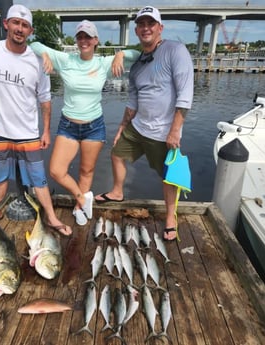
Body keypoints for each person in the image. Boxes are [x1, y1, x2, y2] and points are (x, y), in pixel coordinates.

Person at [95, 6, 194, 241]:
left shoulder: (175, 50)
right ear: (136, 30)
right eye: (141, 24)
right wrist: (121, 127)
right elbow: (133, 99)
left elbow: (185, 94)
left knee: (169, 176)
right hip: (139, 126)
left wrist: (175, 130)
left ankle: (171, 217)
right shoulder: (138, 64)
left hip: (164, 132)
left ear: (160, 28)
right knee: (117, 153)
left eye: (151, 23)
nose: (146, 28)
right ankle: (118, 192)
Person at [0, 4, 72, 236]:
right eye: (16, 23)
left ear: (30, 31)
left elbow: (45, 100)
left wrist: (46, 131)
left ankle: (52, 217)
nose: (19, 28)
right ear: (6, 24)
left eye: (25, 25)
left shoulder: (39, 60)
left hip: (28, 132)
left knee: (39, 180)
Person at [30, 20, 140, 226]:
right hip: (68, 126)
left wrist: (120, 54)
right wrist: (44, 54)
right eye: (80, 37)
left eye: (88, 37)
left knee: (86, 171)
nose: (83, 41)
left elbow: (138, 54)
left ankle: (79, 208)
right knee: (56, 170)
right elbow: (33, 45)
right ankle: (82, 198)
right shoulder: (65, 60)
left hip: (94, 126)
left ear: (96, 40)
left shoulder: (103, 63)